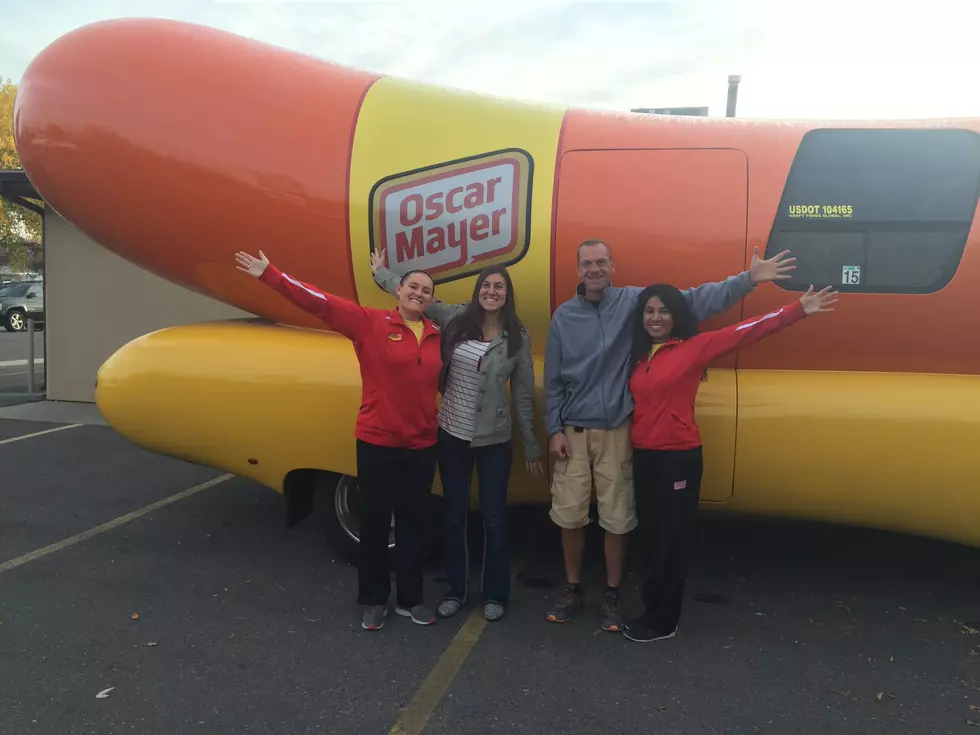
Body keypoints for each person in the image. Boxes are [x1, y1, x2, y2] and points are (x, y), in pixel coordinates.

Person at [544, 239, 797, 632]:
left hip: (618, 433)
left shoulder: (634, 302)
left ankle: (612, 593)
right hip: (573, 432)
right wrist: (553, 429)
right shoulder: (563, 316)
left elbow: (693, 302)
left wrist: (748, 280)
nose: (594, 270)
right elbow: (554, 378)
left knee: (618, 519)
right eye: (586, 264)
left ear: (613, 265)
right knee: (570, 515)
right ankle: (572, 588)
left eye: (600, 262)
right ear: (578, 270)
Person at [234, 249, 443, 632]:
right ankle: (375, 599)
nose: (418, 293)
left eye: (426, 290)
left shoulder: (435, 337)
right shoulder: (371, 323)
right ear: (398, 290)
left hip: (421, 446)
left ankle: (411, 599)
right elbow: (319, 302)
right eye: (413, 286)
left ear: (431, 300)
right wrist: (271, 274)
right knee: (376, 524)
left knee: (415, 526)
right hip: (378, 442)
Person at [623, 283, 838, 642]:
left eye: (663, 311)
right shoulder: (641, 355)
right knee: (651, 537)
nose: (655, 317)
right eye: (649, 311)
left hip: (678, 457)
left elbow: (746, 332)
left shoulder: (693, 347)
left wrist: (796, 309)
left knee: (670, 542)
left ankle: (664, 621)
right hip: (645, 457)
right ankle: (651, 608)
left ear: (675, 315)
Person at [371, 249, 543, 622]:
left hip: (494, 439)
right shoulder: (457, 318)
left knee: (495, 518)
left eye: (499, 286)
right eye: (486, 285)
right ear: (478, 290)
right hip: (451, 435)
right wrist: (381, 273)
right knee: (454, 516)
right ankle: (456, 591)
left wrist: (530, 443)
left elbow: (525, 393)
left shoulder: (517, 336)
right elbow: (419, 300)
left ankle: (495, 594)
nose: (492, 291)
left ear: (507, 293)